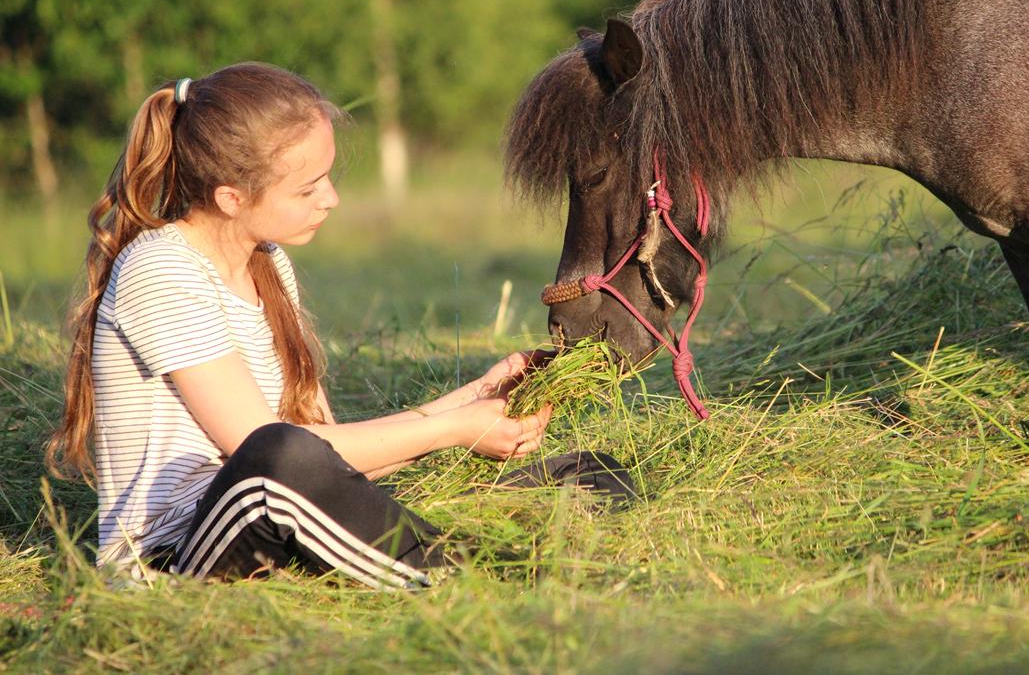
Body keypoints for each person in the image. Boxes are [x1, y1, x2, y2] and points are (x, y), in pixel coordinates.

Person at [46, 62, 634, 590]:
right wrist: (455, 430)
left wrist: (477, 398)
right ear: (230, 197)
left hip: (274, 512)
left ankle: (454, 553)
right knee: (275, 452)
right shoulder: (161, 269)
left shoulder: (267, 262)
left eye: (328, 177)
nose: (330, 199)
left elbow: (331, 460)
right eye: (307, 187)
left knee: (593, 474)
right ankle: (474, 572)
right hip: (175, 556)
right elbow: (270, 463)